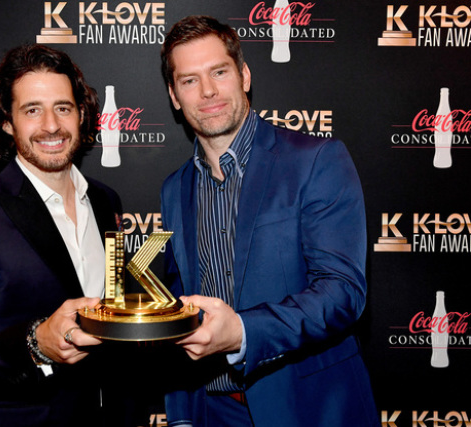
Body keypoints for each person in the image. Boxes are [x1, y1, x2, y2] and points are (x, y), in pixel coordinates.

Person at [159, 16, 380, 427]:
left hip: (308, 407)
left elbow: (342, 291)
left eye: (219, 72)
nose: (207, 91)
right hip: (212, 410)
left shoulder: (316, 161)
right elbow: (181, 300)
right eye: (189, 81)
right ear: (174, 96)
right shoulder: (175, 189)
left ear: (243, 75)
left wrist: (243, 331)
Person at [0, 44, 123, 427]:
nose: (51, 125)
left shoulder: (104, 200)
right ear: (6, 121)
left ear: (82, 115)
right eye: (32, 110)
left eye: (63, 108)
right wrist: (35, 344)